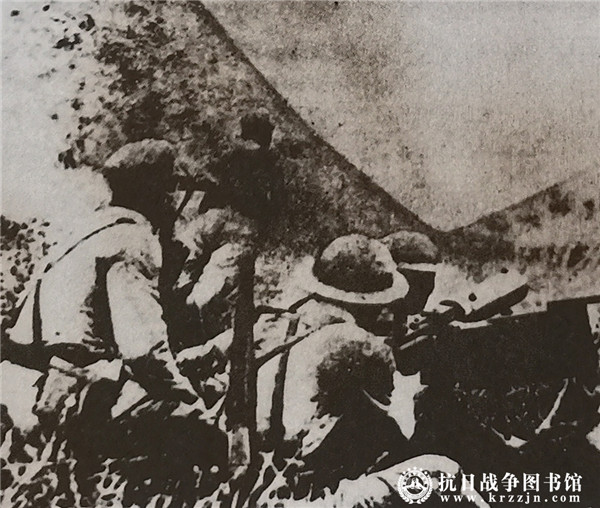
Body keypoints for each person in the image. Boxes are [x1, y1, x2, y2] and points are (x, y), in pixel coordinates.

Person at [1, 139, 227, 507]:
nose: (174, 203)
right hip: (69, 394)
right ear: (156, 193)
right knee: (203, 439)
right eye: (172, 191)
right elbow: (143, 349)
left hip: (24, 377)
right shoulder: (133, 240)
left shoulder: (87, 229)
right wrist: (190, 400)